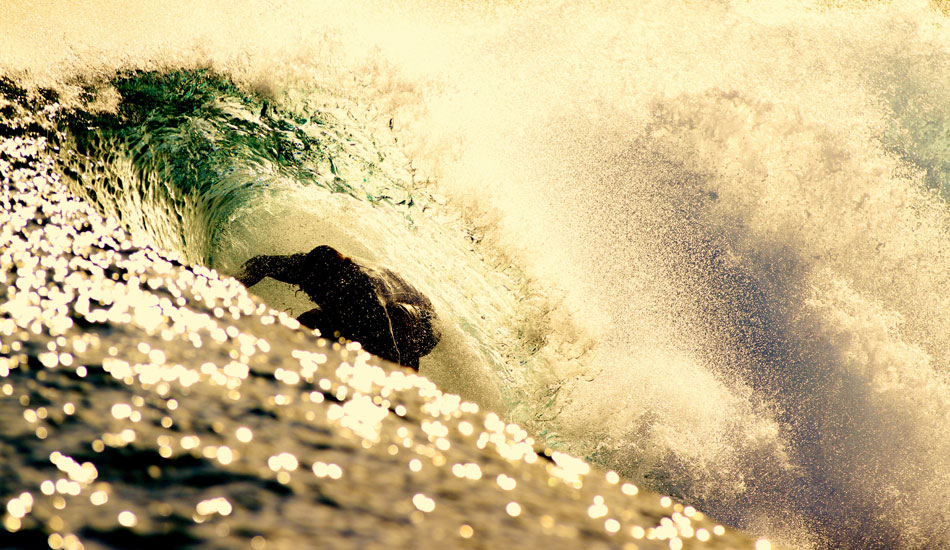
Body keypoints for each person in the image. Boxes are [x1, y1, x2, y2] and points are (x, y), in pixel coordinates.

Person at [236, 245, 440, 369]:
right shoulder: (306, 267)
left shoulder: (362, 292)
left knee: (395, 320)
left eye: (324, 288)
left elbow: (393, 352)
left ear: (339, 279)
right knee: (310, 322)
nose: (318, 294)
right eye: (313, 288)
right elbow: (260, 264)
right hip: (381, 320)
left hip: (425, 323)